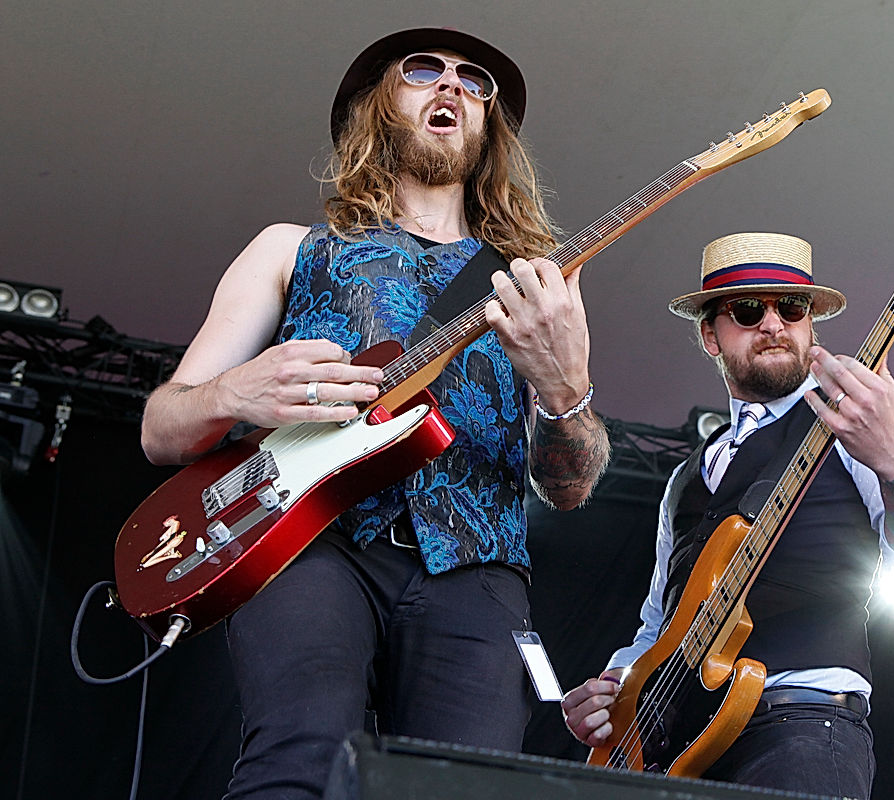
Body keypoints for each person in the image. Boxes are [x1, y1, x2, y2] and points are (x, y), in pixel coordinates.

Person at [140, 28, 610, 799]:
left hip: (477, 566)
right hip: (312, 542)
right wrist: (234, 393)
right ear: (378, 104)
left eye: (474, 81)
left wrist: (566, 392)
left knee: (460, 789)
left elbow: (570, 488)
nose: (452, 86)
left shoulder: (535, 282)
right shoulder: (290, 249)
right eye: (424, 70)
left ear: (488, 125)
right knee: (300, 760)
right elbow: (161, 430)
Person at [561, 232, 894, 799]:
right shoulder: (684, 480)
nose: (774, 324)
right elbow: (657, 626)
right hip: (680, 750)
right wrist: (612, 692)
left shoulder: (856, 424)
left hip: (802, 726)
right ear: (711, 335)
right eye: (749, 310)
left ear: (810, 326)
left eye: (793, 308)